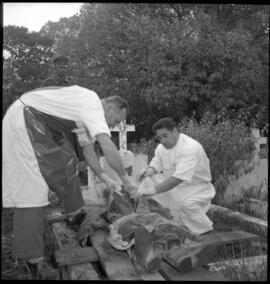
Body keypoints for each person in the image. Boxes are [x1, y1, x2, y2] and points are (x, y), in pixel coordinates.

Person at [2, 85, 135, 279]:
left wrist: (105, 177)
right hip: (25, 119)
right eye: (116, 120)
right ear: (110, 108)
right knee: (32, 192)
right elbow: (106, 145)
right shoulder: (93, 105)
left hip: (40, 122)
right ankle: (34, 263)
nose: (114, 125)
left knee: (68, 158)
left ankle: (74, 213)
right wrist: (126, 179)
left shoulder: (82, 113)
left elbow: (88, 151)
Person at [137, 117, 216, 235]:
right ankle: (168, 222)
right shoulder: (161, 148)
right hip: (175, 186)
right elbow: (156, 165)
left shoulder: (190, 148)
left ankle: (204, 230)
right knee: (149, 180)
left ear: (174, 131)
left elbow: (178, 179)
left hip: (197, 187)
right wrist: (148, 172)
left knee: (187, 205)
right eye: (159, 138)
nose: (162, 141)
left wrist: (153, 190)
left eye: (165, 136)